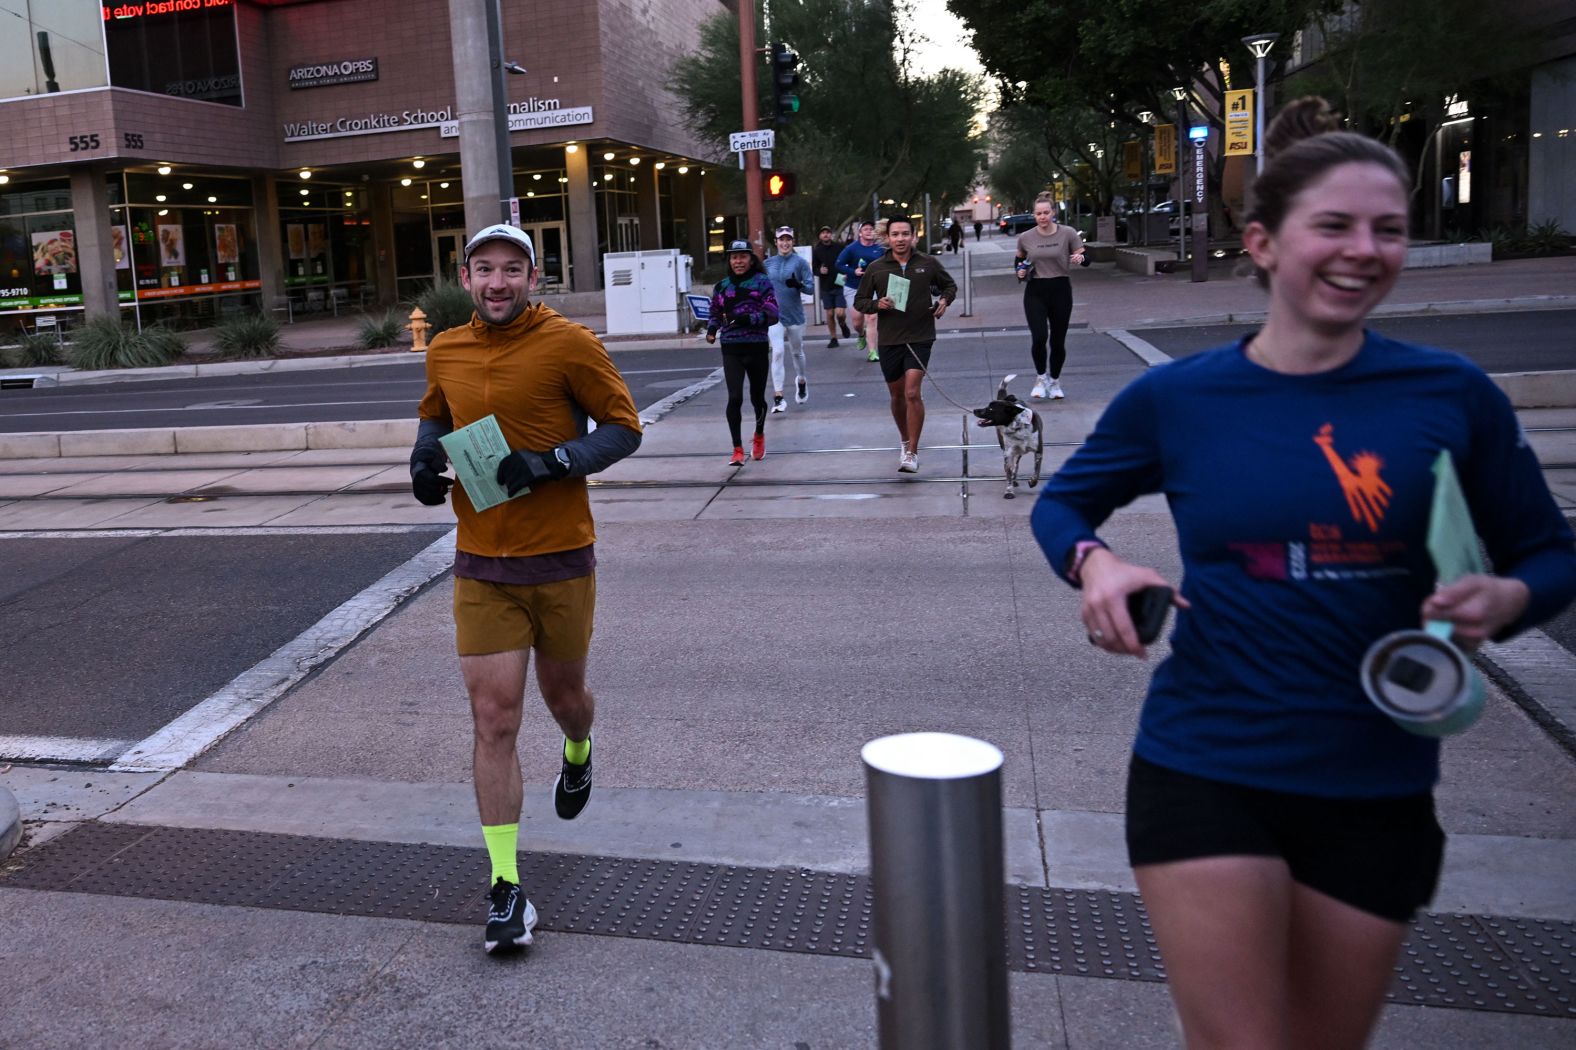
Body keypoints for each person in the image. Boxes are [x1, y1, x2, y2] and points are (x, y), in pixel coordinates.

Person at [1029, 98, 1576, 1050]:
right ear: (1264, 243)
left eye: (1389, 229)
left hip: (1378, 781)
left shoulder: (1451, 395)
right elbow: (1060, 506)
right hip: (1206, 764)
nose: (1364, 248)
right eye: (1333, 225)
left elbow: (1552, 553)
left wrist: (1510, 595)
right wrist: (1098, 565)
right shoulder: (1179, 399)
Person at [410, 223, 644, 955]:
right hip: (483, 562)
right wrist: (422, 462)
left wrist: (554, 461)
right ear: (467, 276)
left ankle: (579, 749)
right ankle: (507, 888)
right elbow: (435, 414)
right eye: (486, 270)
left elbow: (623, 427)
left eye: (513, 269)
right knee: (494, 719)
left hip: (561, 558)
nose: (498, 282)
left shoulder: (569, 343)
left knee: (564, 700)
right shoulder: (446, 346)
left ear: (533, 278)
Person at [853, 216, 957, 474]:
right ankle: (904, 439)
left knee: (912, 392)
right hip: (890, 339)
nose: (900, 239)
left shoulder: (927, 263)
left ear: (913, 236)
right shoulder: (876, 268)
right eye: (895, 234)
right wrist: (878, 304)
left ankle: (912, 452)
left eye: (904, 234)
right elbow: (860, 300)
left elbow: (949, 286)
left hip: (921, 336)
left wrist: (944, 301)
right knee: (897, 396)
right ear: (887, 238)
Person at [706, 239, 779, 464]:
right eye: (734, 257)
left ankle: (758, 435)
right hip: (731, 348)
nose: (738, 261)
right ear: (729, 260)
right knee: (734, 397)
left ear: (751, 259)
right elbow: (715, 312)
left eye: (743, 257)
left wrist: (750, 318)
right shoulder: (722, 286)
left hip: (756, 346)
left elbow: (773, 314)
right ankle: (737, 449)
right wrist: (711, 329)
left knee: (757, 398)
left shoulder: (762, 282)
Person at [1014, 192, 1086, 400]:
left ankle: (1054, 380)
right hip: (1035, 290)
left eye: (1046, 213)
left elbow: (1086, 256)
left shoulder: (1068, 233)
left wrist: (1080, 258)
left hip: (1060, 288)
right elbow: (1019, 261)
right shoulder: (1026, 237)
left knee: (1057, 340)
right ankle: (1040, 377)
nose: (1043, 217)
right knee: (1039, 337)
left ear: (1053, 213)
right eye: (1039, 214)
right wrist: (1019, 271)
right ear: (1034, 215)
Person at [764, 225, 813, 410]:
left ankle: (801, 380)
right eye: (781, 239)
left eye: (788, 239)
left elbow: (810, 288)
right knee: (777, 352)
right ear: (776, 242)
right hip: (775, 316)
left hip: (795, 316)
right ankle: (778, 397)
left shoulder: (800, 263)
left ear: (793, 242)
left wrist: (799, 284)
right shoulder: (768, 264)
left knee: (796, 352)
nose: (785, 243)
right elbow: (761, 287)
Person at [835, 221, 885, 362]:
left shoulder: (879, 248)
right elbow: (838, 264)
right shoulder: (852, 249)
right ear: (860, 233)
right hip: (853, 287)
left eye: (871, 229)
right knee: (857, 322)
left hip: (873, 288)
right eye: (866, 229)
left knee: (872, 318)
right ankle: (861, 334)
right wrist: (853, 271)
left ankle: (872, 352)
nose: (869, 231)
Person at [812, 225, 851, 348]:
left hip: (840, 283)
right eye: (823, 233)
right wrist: (819, 270)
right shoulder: (817, 251)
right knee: (829, 314)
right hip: (825, 286)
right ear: (820, 236)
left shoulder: (839, 247)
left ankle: (843, 324)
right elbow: (814, 269)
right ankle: (833, 338)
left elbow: (848, 261)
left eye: (828, 232)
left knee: (840, 313)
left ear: (831, 235)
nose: (825, 235)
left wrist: (847, 272)